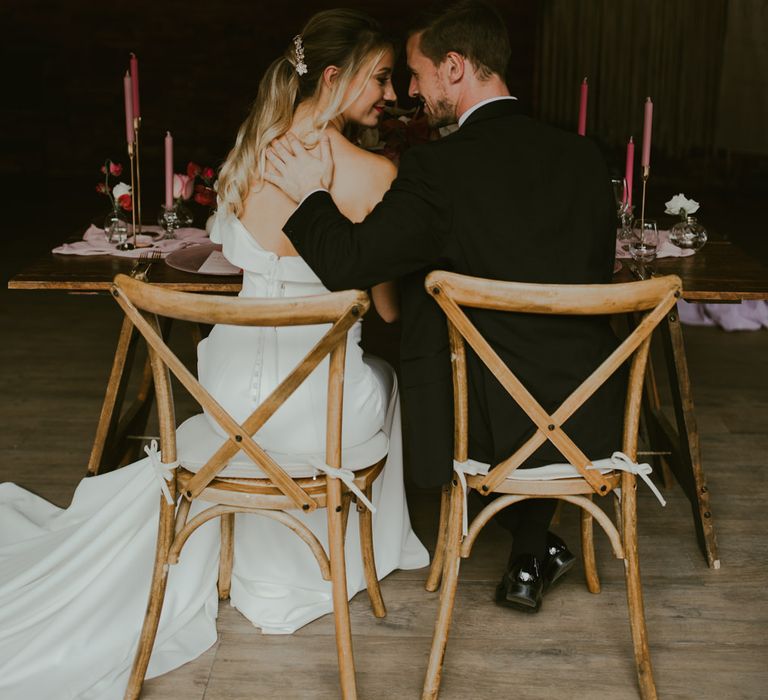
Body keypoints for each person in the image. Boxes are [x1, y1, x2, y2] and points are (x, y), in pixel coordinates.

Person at [0, 10, 428, 699]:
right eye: (379, 77)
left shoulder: (250, 150)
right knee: (384, 381)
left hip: (226, 397)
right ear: (333, 77)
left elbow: (230, 248)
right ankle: (362, 559)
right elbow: (387, 309)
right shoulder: (376, 173)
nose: (390, 92)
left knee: (274, 390)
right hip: (314, 410)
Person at [265, 0, 626, 613]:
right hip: (587, 413)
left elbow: (351, 260)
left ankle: (525, 541)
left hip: (477, 422)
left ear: (454, 68)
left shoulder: (438, 168)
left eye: (416, 73)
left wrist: (309, 197)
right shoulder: (586, 160)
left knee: (415, 320)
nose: (410, 91)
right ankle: (532, 544)